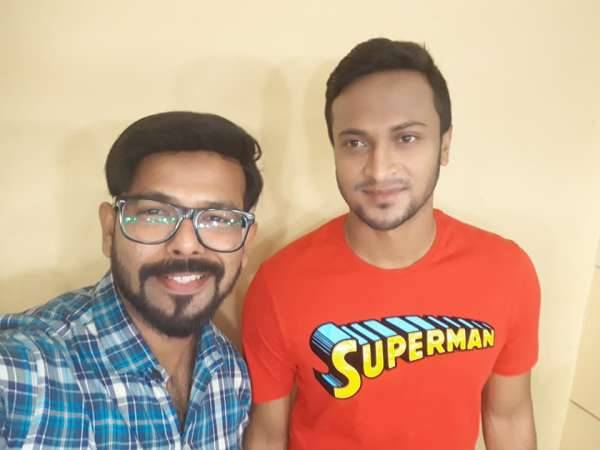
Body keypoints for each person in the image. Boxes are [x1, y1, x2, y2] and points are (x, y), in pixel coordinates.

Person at [242, 38, 540, 450]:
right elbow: (267, 435)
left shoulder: (507, 272)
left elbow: (508, 417)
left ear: (445, 145)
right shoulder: (279, 284)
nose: (379, 169)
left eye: (407, 138)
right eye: (355, 143)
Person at [0, 111, 263, 449]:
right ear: (110, 230)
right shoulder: (24, 373)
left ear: (245, 244)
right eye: (155, 213)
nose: (186, 244)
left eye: (217, 219)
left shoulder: (229, 372)